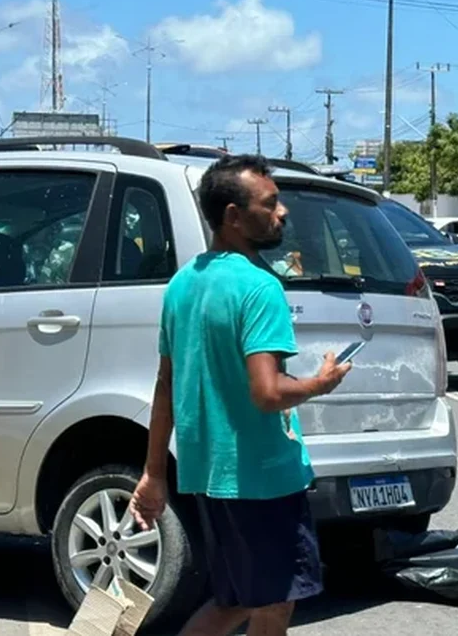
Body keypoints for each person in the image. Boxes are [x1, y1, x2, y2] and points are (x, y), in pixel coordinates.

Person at [129, 154, 351, 636]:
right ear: (232, 215)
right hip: (261, 478)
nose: (283, 212)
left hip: (211, 474)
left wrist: (153, 474)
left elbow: (164, 384)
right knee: (271, 602)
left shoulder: (182, 284)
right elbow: (268, 392)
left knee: (241, 600)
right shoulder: (259, 287)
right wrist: (321, 382)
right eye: (269, 204)